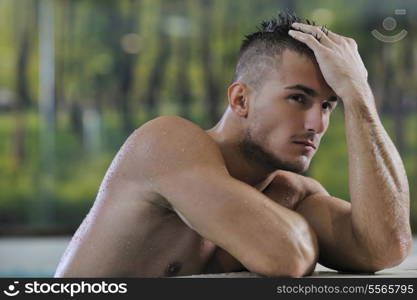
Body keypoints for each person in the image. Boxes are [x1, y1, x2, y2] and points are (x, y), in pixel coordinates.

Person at [54, 12, 412, 278]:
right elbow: (286, 257)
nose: (316, 124)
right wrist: (306, 233)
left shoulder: (289, 195)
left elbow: (388, 248)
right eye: (298, 99)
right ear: (241, 100)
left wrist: (358, 94)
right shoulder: (165, 144)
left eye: (328, 105)